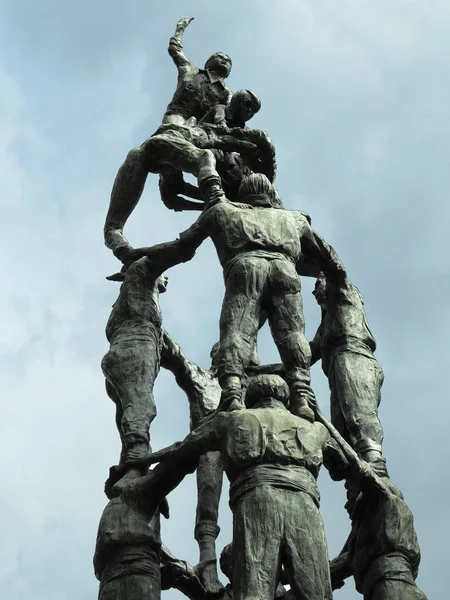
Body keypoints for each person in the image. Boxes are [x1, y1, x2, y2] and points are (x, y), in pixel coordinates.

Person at [122, 374, 346, 600]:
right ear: (286, 399)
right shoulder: (314, 429)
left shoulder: (231, 421)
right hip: (305, 510)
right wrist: (318, 418)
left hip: (256, 504)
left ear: (250, 398)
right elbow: (343, 468)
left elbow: (182, 452)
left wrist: (142, 462)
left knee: (253, 593)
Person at [139, 173, 342, 419]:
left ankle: (233, 393)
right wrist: (335, 283)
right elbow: (329, 259)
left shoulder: (221, 212)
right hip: (285, 270)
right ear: (270, 193)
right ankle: (301, 397)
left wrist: (138, 257)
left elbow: (180, 248)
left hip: (244, 270)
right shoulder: (294, 219)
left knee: (236, 330)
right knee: (291, 333)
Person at [101, 263, 171, 495]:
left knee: (126, 411)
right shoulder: (140, 281)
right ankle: (135, 465)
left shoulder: (132, 295)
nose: (166, 279)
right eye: (162, 274)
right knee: (141, 406)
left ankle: (128, 465)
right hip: (135, 348)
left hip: (120, 353)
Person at [310, 269, 386, 475]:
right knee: (340, 434)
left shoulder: (344, 292)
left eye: (318, 284)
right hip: (337, 368)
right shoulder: (326, 324)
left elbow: (334, 270)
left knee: (358, 415)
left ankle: (376, 465)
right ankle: (355, 484)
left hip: (354, 357)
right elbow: (308, 353)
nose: (313, 292)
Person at [329, 478, 427, 600]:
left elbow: (366, 475)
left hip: (391, 587)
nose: (346, 504)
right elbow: (347, 560)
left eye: (349, 490)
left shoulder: (380, 499)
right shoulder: (369, 532)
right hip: (389, 588)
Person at [163, 17, 232, 126]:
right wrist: (180, 29)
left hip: (202, 125)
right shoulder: (189, 70)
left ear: (228, 73)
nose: (224, 60)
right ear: (208, 62)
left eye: (228, 61)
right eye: (219, 57)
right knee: (174, 132)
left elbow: (230, 112)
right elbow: (174, 49)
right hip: (178, 114)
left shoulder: (226, 93)